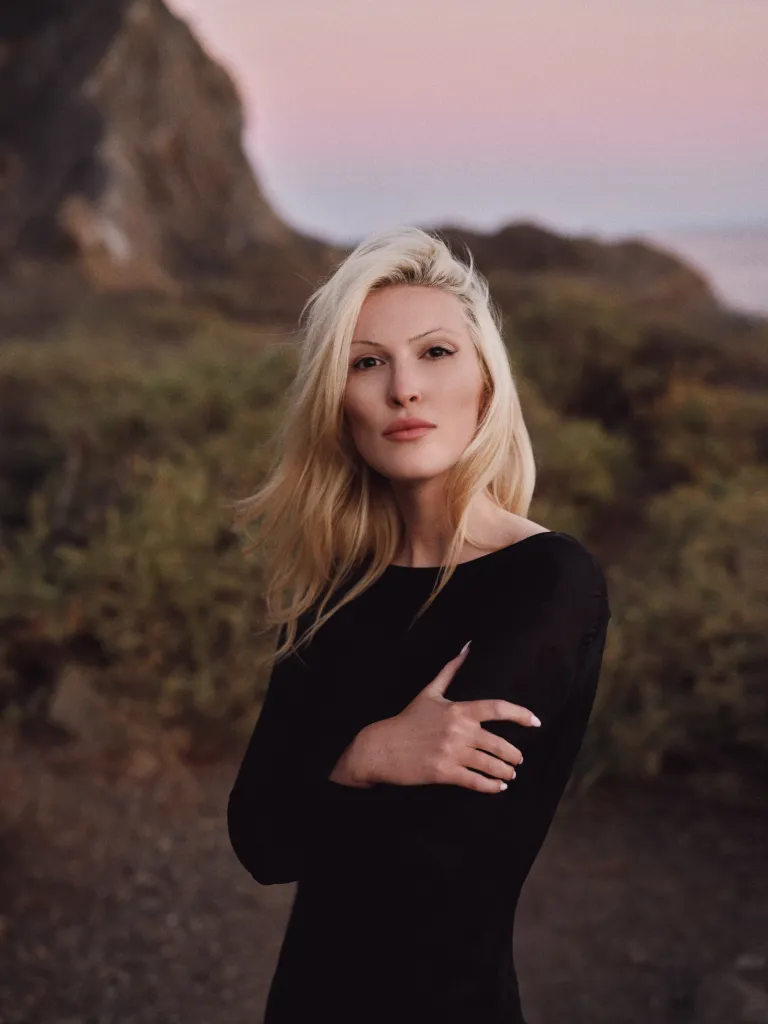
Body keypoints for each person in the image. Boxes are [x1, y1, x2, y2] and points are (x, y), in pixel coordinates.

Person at [226, 225, 611, 1024]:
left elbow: (433, 853)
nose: (404, 389)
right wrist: (369, 755)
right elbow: (257, 840)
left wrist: (319, 770)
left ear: (486, 385)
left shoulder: (547, 580)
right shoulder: (336, 591)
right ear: (339, 405)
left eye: (435, 352)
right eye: (367, 362)